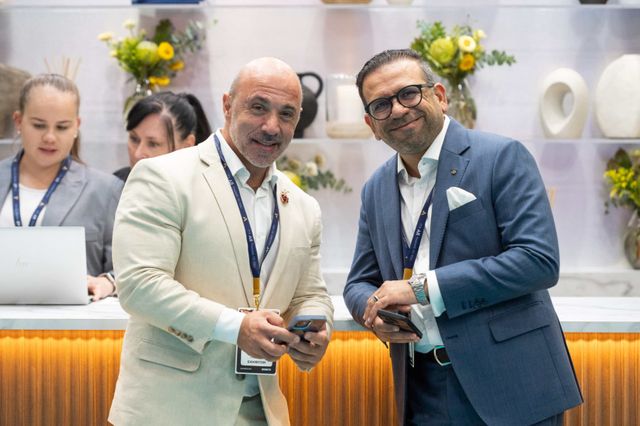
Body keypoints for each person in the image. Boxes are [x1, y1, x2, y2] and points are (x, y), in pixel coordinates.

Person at [343, 49, 582, 425]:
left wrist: (421, 289)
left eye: (409, 93)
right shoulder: (375, 189)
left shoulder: (502, 156)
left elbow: (538, 261)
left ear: (439, 95)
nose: (399, 109)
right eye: (382, 105)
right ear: (371, 125)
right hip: (422, 388)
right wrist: (374, 313)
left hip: (513, 385)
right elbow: (358, 283)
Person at [109, 57, 334, 426]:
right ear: (228, 106)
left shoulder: (303, 206)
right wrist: (236, 327)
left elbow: (311, 294)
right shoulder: (163, 176)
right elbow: (139, 285)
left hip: (262, 411)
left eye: (287, 114)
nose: (271, 126)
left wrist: (315, 327)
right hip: (169, 412)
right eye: (258, 107)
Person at [0, 73, 123, 301]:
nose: (50, 137)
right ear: (18, 122)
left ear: (76, 126)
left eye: (62, 127)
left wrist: (108, 282)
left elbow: (129, 270)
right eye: (39, 125)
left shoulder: (105, 191)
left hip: (71, 320)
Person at [113, 91, 212, 181]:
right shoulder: (115, 186)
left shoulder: (206, 191)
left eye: (153, 144)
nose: (137, 154)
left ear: (187, 146)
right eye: (134, 139)